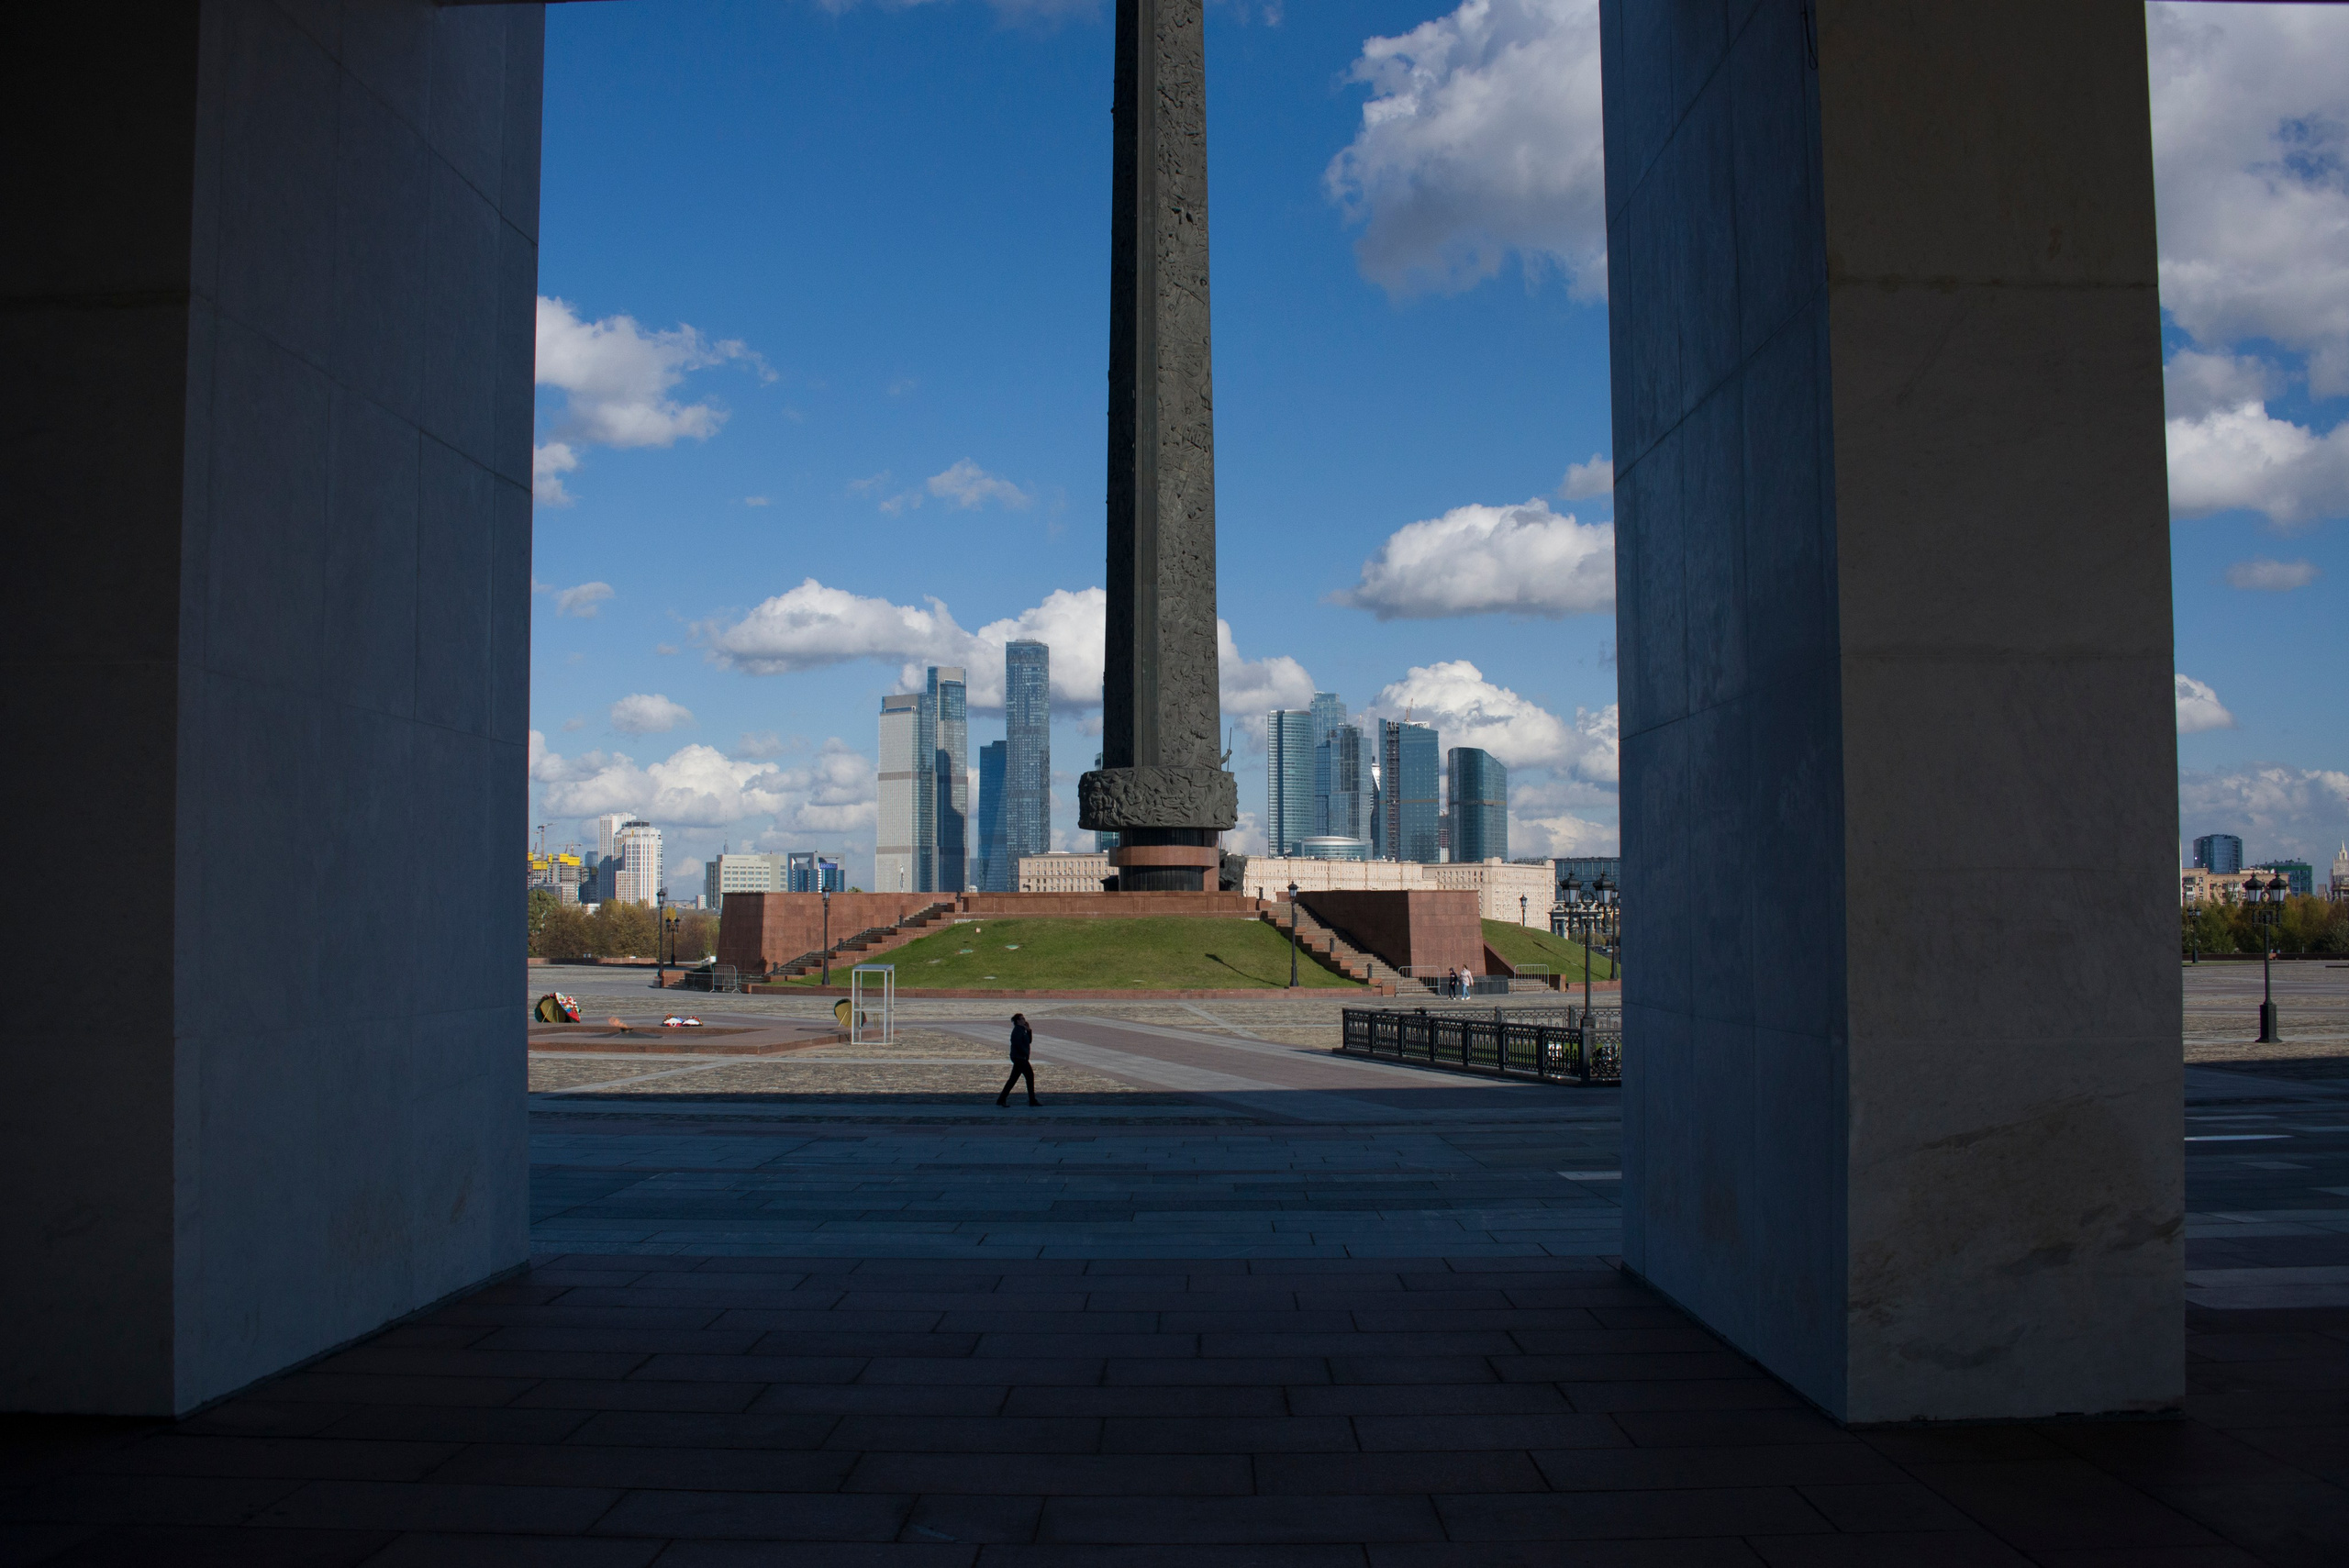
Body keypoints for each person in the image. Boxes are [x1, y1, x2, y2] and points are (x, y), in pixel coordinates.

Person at [996, 1012, 1039, 1107]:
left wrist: (1029, 1030)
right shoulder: (1017, 1031)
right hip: (1019, 1058)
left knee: (1018, 1078)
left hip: (1021, 1058)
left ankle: (1001, 1099)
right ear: (1018, 1021)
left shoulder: (1022, 1030)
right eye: (1022, 1019)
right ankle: (1032, 1100)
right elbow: (1018, 1044)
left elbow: (1029, 1041)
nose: (1024, 1020)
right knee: (1024, 1077)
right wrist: (1024, 1053)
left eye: (1024, 1018)